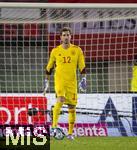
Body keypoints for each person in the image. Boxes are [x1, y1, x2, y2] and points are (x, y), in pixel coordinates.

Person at [44, 27, 86, 140]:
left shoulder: (77, 50)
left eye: (68, 35)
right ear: (60, 37)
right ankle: (53, 127)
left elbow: (82, 66)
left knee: (72, 107)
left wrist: (83, 79)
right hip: (60, 81)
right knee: (60, 99)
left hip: (72, 82)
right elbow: (49, 67)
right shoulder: (55, 51)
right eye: (64, 35)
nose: (66, 37)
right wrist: (46, 81)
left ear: (71, 36)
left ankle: (70, 133)